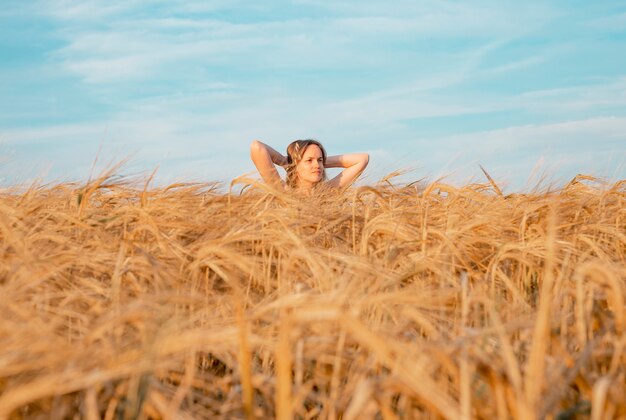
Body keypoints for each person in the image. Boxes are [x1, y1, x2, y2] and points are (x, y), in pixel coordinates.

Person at [250, 139, 369, 194]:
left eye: (320, 160)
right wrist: (287, 162)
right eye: (309, 160)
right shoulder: (283, 192)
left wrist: (321, 162)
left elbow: (362, 159)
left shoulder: (328, 192)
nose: (317, 165)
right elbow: (257, 147)